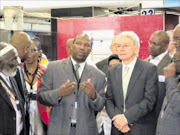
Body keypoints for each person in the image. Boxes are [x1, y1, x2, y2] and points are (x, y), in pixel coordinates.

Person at [37, 34, 106, 135]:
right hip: (59, 130)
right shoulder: (53, 68)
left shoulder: (98, 75)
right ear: (72, 46)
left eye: (86, 45)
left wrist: (94, 96)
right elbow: (41, 97)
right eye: (78, 43)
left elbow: (100, 106)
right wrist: (58, 93)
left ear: (90, 49)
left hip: (86, 131)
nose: (82, 47)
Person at [105, 31, 158, 135]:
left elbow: (149, 100)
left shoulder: (149, 69)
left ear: (136, 48)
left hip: (140, 128)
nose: (121, 49)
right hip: (117, 129)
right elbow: (109, 99)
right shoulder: (112, 71)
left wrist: (125, 118)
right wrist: (117, 119)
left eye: (126, 45)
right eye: (118, 46)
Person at [146, 30, 171, 126]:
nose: (151, 46)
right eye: (150, 42)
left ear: (166, 46)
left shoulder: (172, 65)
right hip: (143, 119)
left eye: (156, 44)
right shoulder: (143, 63)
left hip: (162, 118)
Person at [0, 42, 26, 135]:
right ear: (1, 62)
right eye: (13, 59)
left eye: (17, 57)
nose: (17, 63)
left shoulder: (12, 76)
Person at [23, 39, 48, 135]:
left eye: (32, 50)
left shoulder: (46, 72)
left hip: (40, 115)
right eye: (26, 49)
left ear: (40, 53)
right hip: (22, 114)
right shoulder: (17, 71)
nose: (28, 53)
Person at [156, 50, 180, 135]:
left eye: (174, 60)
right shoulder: (176, 81)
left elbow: (178, 105)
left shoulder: (171, 82)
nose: (171, 64)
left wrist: (169, 78)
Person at [97, 54, 121, 135]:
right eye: (110, 66)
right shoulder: (103, 82)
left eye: (116, 65)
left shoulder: (127, 83)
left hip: (120, 123)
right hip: (103, 123)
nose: (113, 68)